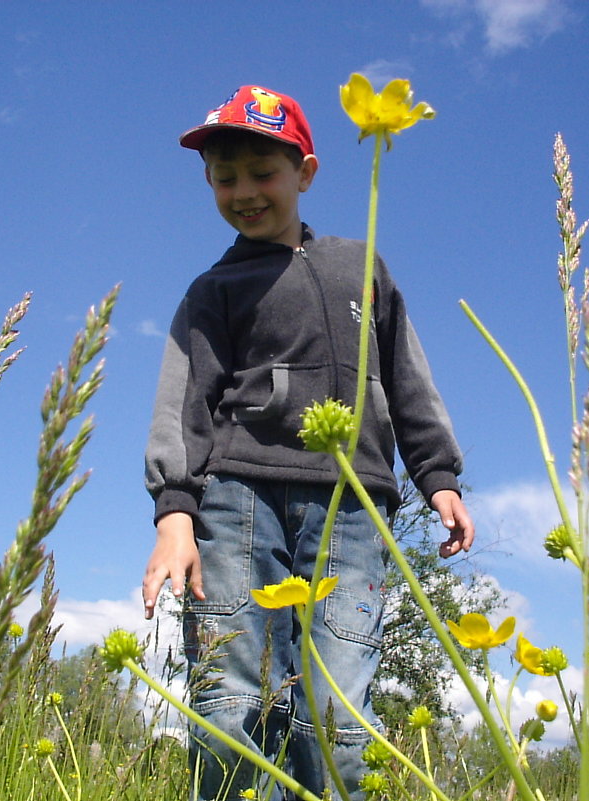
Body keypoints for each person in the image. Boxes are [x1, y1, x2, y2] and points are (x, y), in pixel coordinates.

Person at [142, 84, 473, 801]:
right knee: (234, 699)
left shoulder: (362, 267)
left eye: (263, 172)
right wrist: (175, 515)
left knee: (337, 712)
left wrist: (438, 476)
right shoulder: (213, 289)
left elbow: (406, 377)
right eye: (224, 177)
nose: (244, 191)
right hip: (236, 499)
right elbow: (183, 402)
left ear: (306, 173)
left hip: (351, 507)